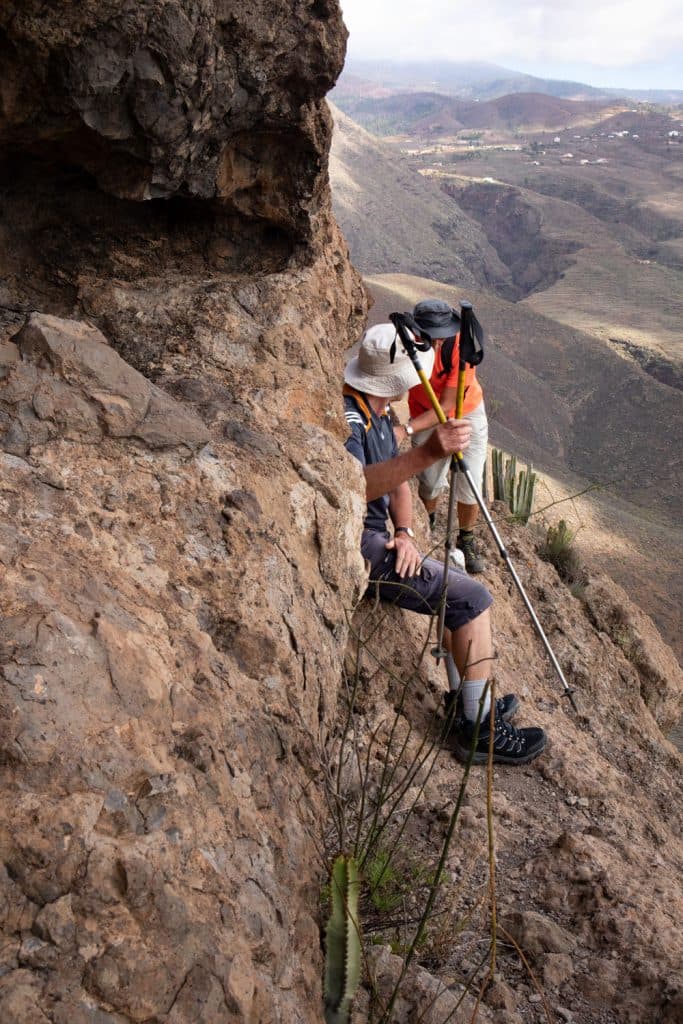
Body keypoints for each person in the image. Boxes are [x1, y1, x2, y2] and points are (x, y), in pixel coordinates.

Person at [343, 322, 547, 765]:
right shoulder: (351, 419)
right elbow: (353, 486)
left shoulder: (380, 412)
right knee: (472, 598)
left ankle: (468, 706)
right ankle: (478, 730)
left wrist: (405, 533)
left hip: (384, 539)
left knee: (456, 594)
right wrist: (427, 454)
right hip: (358, 544)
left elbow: (397, 482)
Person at [393, 299, 488, 574]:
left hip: (465, 410)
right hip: (424, 411)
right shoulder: (406, 339)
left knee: (470, 478)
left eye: (439, 335)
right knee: (429, 479)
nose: (434, 342)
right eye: (429, 335)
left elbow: (447, 406)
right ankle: (428, 524)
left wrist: (406, 429)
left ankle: (466, 539)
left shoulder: (460, 344)